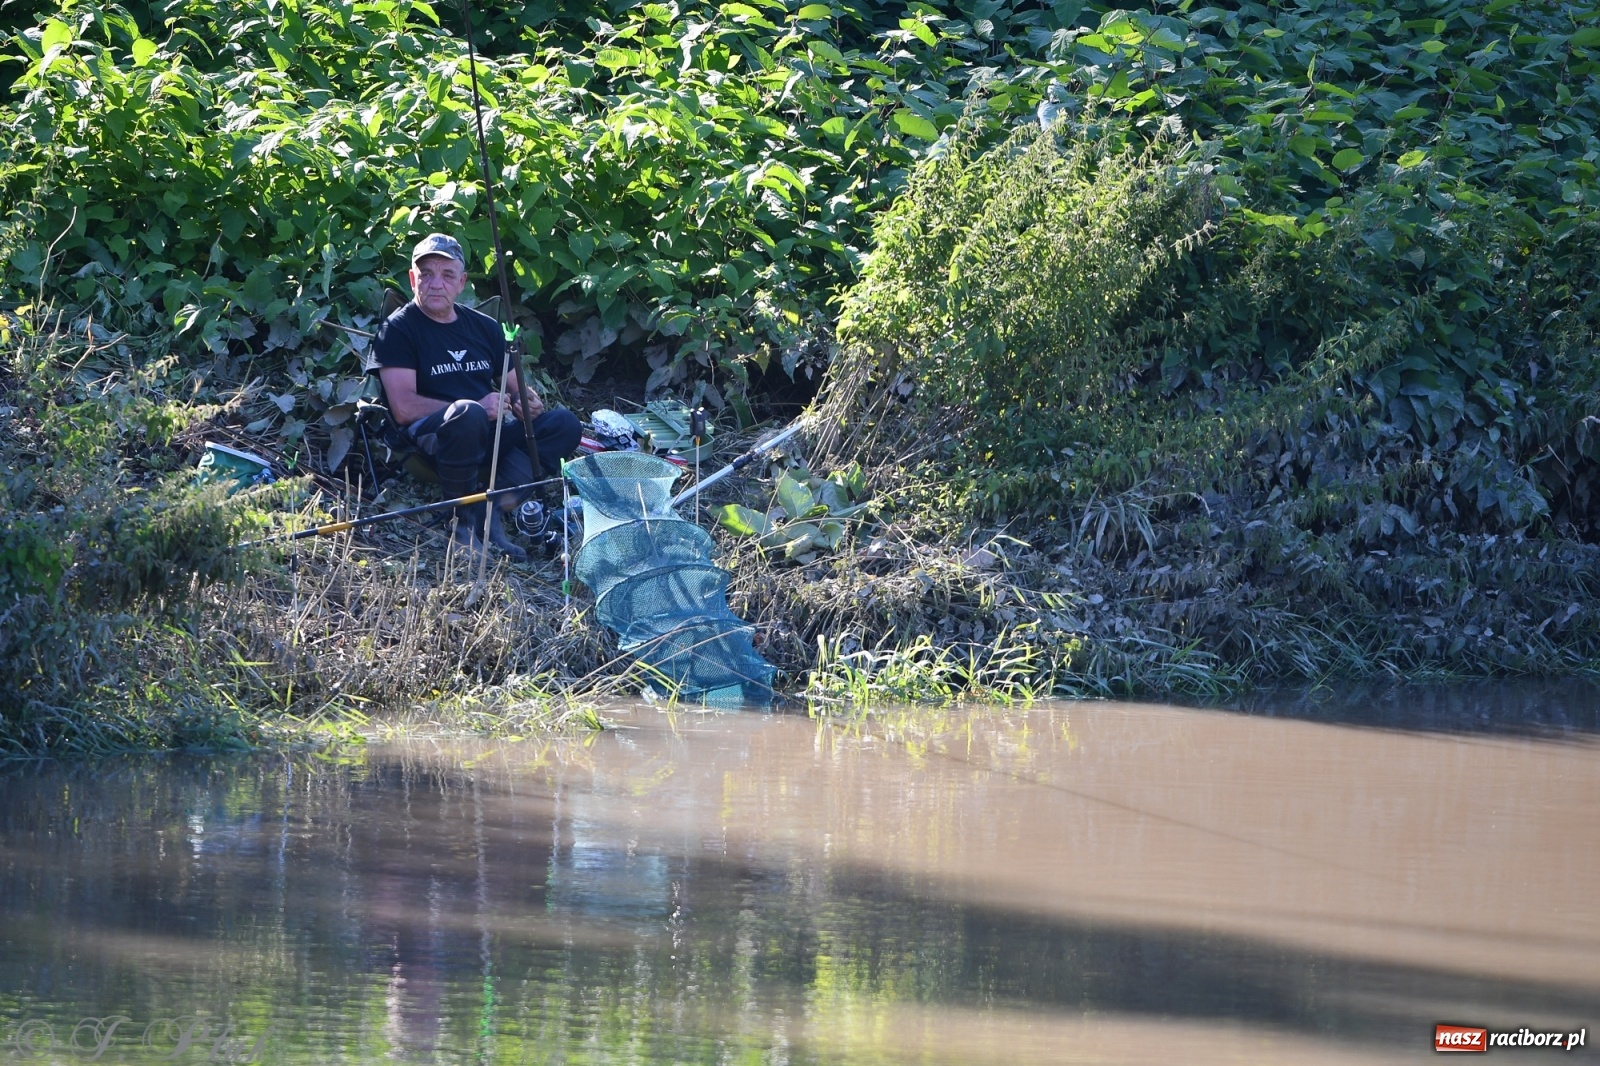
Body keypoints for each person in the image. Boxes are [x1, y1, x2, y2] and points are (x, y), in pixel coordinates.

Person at [372, 233, 581, 559]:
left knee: (564, 423)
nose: (435, 284)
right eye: (426, 274)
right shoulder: (396, 330)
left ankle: (496, 506)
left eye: (447, 275)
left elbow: (516, 388)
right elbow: (402, 408)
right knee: (466, 413)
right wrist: (473, 409)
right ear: (413, 279)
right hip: (434, 436)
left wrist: (527, 402)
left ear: (462, 283)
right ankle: (463, 523)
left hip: (489, 433)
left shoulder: (484, 327)